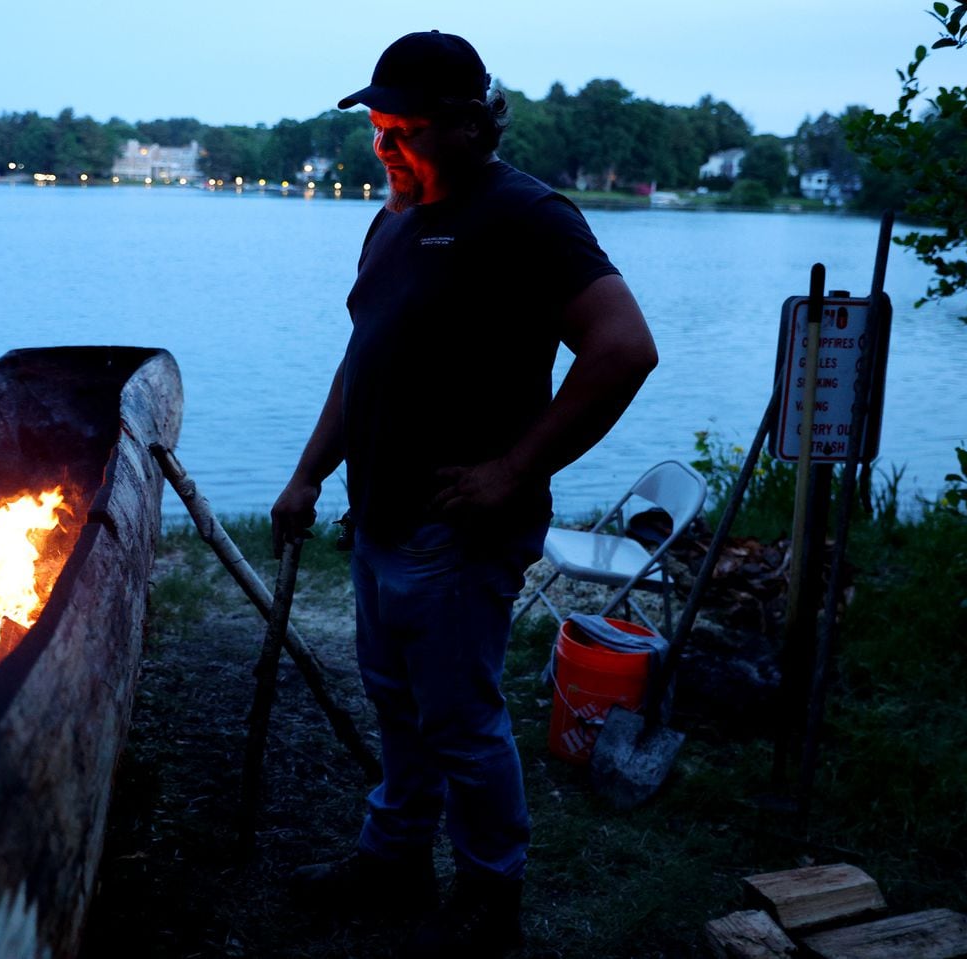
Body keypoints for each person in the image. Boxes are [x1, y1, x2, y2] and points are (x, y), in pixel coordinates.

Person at [270, 30, 658, 959]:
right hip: (382, 517)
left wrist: (514, 470)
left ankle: (492, 889)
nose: (383, 147)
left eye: (402, 130)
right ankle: (395, 857)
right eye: (378, 127)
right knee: (398, 707)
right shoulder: (392, 220)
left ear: (467, 125)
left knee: (460, 717)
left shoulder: (528, 217)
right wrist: (308, 471)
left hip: (459, 528)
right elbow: (364, 361)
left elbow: (623, 348)